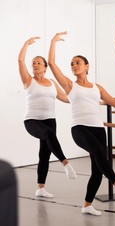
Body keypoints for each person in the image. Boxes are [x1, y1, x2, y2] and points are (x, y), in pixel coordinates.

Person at [48, 31, 115, 216]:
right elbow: (52, 64)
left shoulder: (97, 87)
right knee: (101, 154)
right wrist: (53, 42)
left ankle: (87, 205)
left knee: (97, 170)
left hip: (98, 128)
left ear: (87, 66)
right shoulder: (70, 85)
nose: (74, 66)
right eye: (71, 64)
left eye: (77, 62)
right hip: (80, 128)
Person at [18, 37, 77, 198]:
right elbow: (20, 60)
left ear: (45, 67)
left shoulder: (51, 82)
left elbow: (64, 97)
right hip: (32, 120)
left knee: (44, 153)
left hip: (50, 119)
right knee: (48, 135)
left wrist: (84, 99)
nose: (35, 65)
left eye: (38, 63)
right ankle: (65, 163)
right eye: (33, 63)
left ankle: (40, 188)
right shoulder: (28, 80)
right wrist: (26, 44)